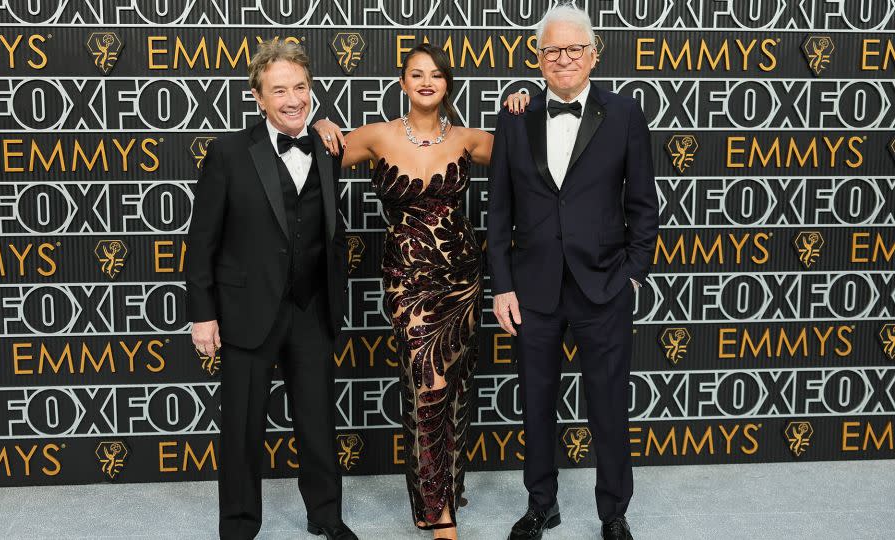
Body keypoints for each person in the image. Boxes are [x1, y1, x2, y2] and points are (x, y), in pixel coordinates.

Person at [314, 44, 528, 540]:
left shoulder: (470, 139)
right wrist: (320, 128)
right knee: (425, 387)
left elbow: (536, 156)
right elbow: (306, 168)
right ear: (403, 82)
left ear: (447, 83)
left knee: (455, 389)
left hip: (462, 280)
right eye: (417, 74)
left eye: (436, 74)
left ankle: (447, 484)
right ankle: (439, 516)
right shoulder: (375, 137)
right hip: (408, 282)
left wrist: (524, 103)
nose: (426, 81)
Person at [486, 4, 658, 540]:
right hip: (533, 287)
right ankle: (542, 505)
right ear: (538, 58)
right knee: (536, 403)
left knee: (608, 405)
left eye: (574, 49)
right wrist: (503, 286)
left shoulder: (626, 113)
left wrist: (633, 272)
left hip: (603, 284)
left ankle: (613, 512)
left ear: (594, 54)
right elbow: (499, 212)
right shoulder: (514, 116)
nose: (564, 59)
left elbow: (643, 204)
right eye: (552, 50)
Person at [185, 40, 356, 540]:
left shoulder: (329, 144)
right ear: (258, 97)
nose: (293, 99)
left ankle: (326, 515)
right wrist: (203, 314)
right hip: (245, 310)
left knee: (319, 423)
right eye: (279, 90)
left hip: (312, 306)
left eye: (300, 87)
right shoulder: (229, 153)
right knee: (241, 429)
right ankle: (239, 526)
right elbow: (201, 242)